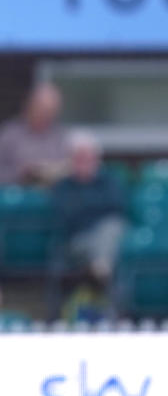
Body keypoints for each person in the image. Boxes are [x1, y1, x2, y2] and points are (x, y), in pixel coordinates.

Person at [49, 130, 126, 320]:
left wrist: (86, 208)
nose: (84, 162)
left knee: (113, 228)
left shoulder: (110, 181)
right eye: (79, 158)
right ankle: (101, 268)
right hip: (77, 243)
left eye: (88, 157)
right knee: (109, 233)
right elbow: (68, 218)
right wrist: (96, 210)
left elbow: (118, 207)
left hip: (107, 238)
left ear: (97, 159)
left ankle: (101, 268)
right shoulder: (63, 187)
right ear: (72, 160)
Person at [0, 82, 71, 187]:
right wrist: (19, 173)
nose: (47, 117)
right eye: (43, 111)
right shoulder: (7, 134)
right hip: (14, 199)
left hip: (51, 199)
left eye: (51, 113)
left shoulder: (59, 136)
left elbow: (68, 171)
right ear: (30, 107)